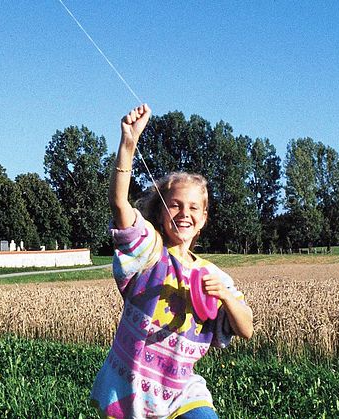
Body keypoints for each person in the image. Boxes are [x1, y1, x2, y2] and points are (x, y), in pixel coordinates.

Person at [90, 104, 254, 418]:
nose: (184, 214)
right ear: (162, 212)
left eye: (194, 208)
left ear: (204, 218)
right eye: (175, 205)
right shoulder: (148, 252)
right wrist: (128, 144)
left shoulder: (212, 275)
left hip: (183, 391)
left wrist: (226, 296)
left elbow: (245, 329)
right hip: (131, 390)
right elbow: (118, 204)